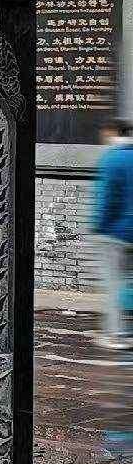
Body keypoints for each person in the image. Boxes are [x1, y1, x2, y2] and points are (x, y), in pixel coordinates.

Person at [92, 119, 133, 350]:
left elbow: (106, 200)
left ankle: (118, 334)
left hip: (115, 233)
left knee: (114, 285)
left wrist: (98, 226)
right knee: (129, 283)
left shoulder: (112, 159)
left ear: (113, 133)